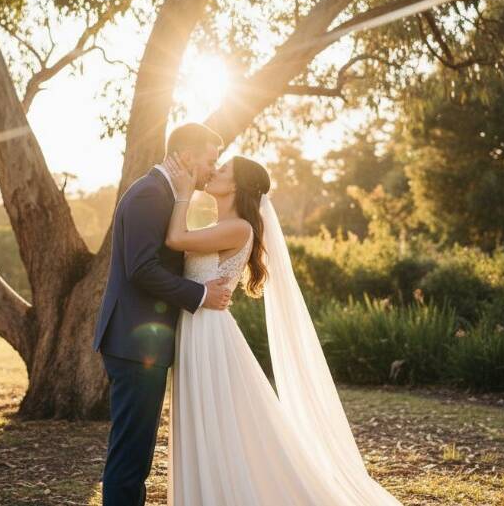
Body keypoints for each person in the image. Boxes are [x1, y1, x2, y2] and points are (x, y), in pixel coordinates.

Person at [163, 152, 403, 506]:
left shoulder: (240, 227)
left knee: (215, 418)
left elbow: (175, 240)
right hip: (199, 326)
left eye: (224, 169)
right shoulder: (223, 225)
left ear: (237, 186)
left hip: (208, 332)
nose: (215, 170)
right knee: (210, 419)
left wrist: (183, 191)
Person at [92, 122, 234, 506]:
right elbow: (141, 268)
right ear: (187, 156)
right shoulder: (149, 195)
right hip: (132, 343)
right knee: (130, 455)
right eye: (210, 159)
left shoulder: (165, 194)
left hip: (140, 344)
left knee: (136, 452)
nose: (212, 168)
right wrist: (201, 294)